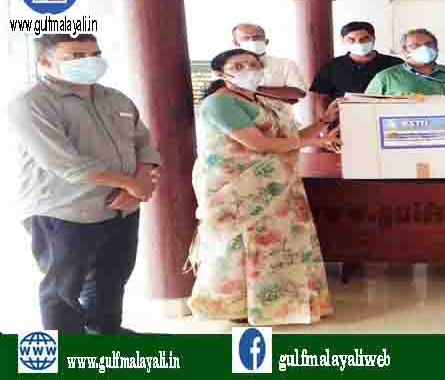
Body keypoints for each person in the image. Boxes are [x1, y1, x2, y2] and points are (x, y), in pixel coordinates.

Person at [8, 34, 162, 334]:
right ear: (45, 62)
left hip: (122, 207)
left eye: (95, 54)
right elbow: (64, 162)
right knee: (63, 287)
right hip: (63, 211)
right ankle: (68, 348)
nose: (90, 61)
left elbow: (144, 143)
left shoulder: (116, 98)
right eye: (76, 56)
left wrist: (139, 184)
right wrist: (131, 185)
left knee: (113, 275)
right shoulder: (31, 103)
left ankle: (105, 334)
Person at [188, 48, 340, 325]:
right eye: (238, 66)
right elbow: (259, 144)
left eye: (253, 64)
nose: (248, 70)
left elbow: (292, 138)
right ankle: (237, 308)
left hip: (275, 186)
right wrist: (314, 142)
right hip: (235, 186)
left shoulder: (266, 102)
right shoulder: (219, 103)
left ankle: (282, 305)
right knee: (236, 246)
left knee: (280, 244)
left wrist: (324, 122)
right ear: (220, 73)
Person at [310, 21, 403, 118]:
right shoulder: (332, 66)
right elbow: (320, 98)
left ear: (373, 38)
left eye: (364, 39)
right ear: (343, 41)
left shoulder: (395, 64)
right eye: (351, 40)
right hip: (344, 120)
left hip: (386, 119)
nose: (358, 43)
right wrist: (325, 122)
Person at [364, 28, 445, 96]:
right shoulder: (386, 78)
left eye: (428, 44)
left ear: (436, 48)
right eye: (415, 46)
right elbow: (368, 110)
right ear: (405, 51)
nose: (424, 49)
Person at [232, 23, 307, 90]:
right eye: (246, 38)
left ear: (266, 41)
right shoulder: (229, 67)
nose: (252, 41)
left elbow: (299, 92)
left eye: (257, 37)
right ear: (236, 43)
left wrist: (251, 89)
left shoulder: (285, 64)